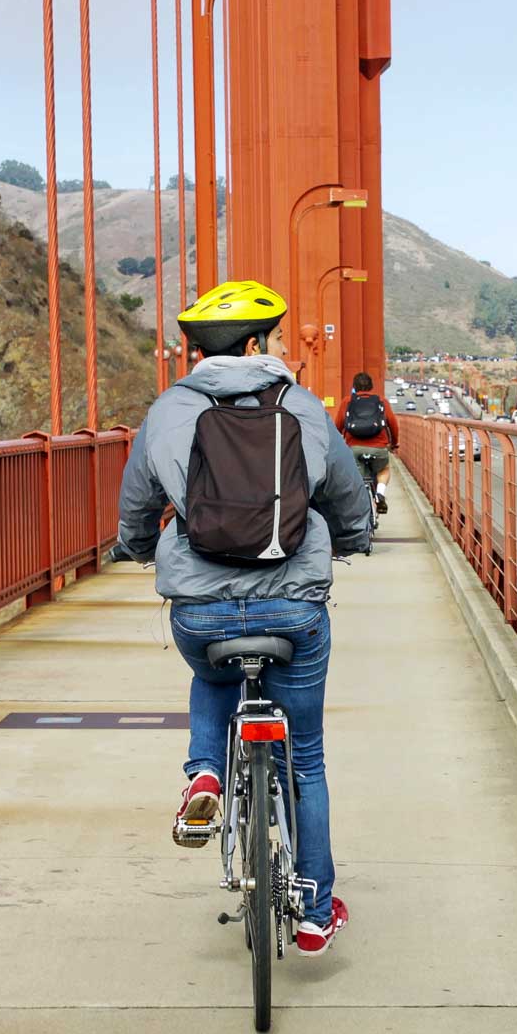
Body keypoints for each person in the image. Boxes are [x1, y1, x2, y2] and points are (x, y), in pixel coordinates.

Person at [117, 280, 372, 956]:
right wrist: (352, 539)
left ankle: (203, 772)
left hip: (200, 610)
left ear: (198, 349)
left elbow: (139, 501)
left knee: (211, 671)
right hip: (294, 609)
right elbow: (347, 493)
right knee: (306, 763)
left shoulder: (169, 409)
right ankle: (316, 910)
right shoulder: (302, 408)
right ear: (259, 344)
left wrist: (139, 548)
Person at [333, 372, 399, 513]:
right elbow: (393, 424)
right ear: (371, 386)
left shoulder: (347, 401)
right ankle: (380, 493)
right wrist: (394, 443)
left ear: (354, 387)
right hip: (379, 447)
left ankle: (358, 504)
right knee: (383, 469)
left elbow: (337, 425)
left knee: (358, 477)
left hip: (354, 448)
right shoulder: (381, 401)